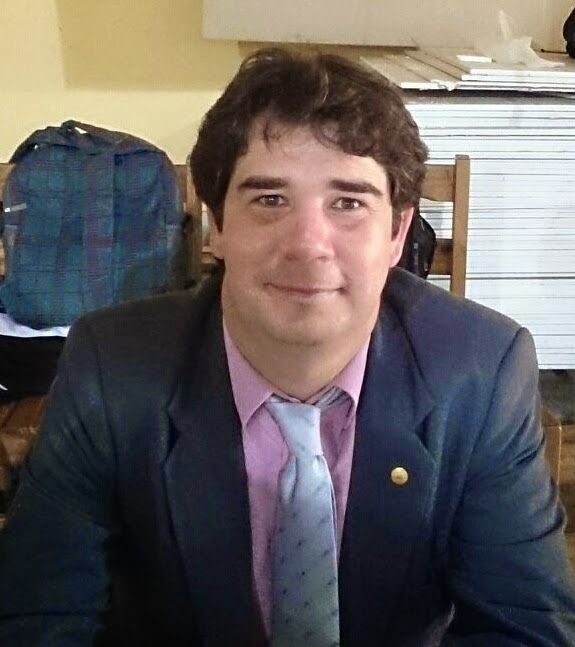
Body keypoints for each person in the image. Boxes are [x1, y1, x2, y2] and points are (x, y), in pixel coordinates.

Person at [1, 48, 574, 647]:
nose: (307, 244)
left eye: (348, 203)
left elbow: (522, 629)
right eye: (269, 200)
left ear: (397, 233)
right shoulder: (110, 367)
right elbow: (40, 618)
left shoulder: (482, 370)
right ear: (217, 226)